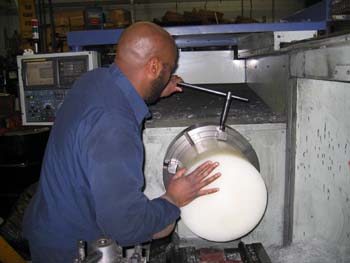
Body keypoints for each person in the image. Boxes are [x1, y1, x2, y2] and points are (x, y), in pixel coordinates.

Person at [23, 21, 221, 262]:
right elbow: (126, 227)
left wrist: (158, 87)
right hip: (72, 250)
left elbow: (127, 94)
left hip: (50, 223)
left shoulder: (94, 80)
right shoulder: (115, 128)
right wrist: (173, 199)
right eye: (168, 69)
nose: (170, 74)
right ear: (154, 66)